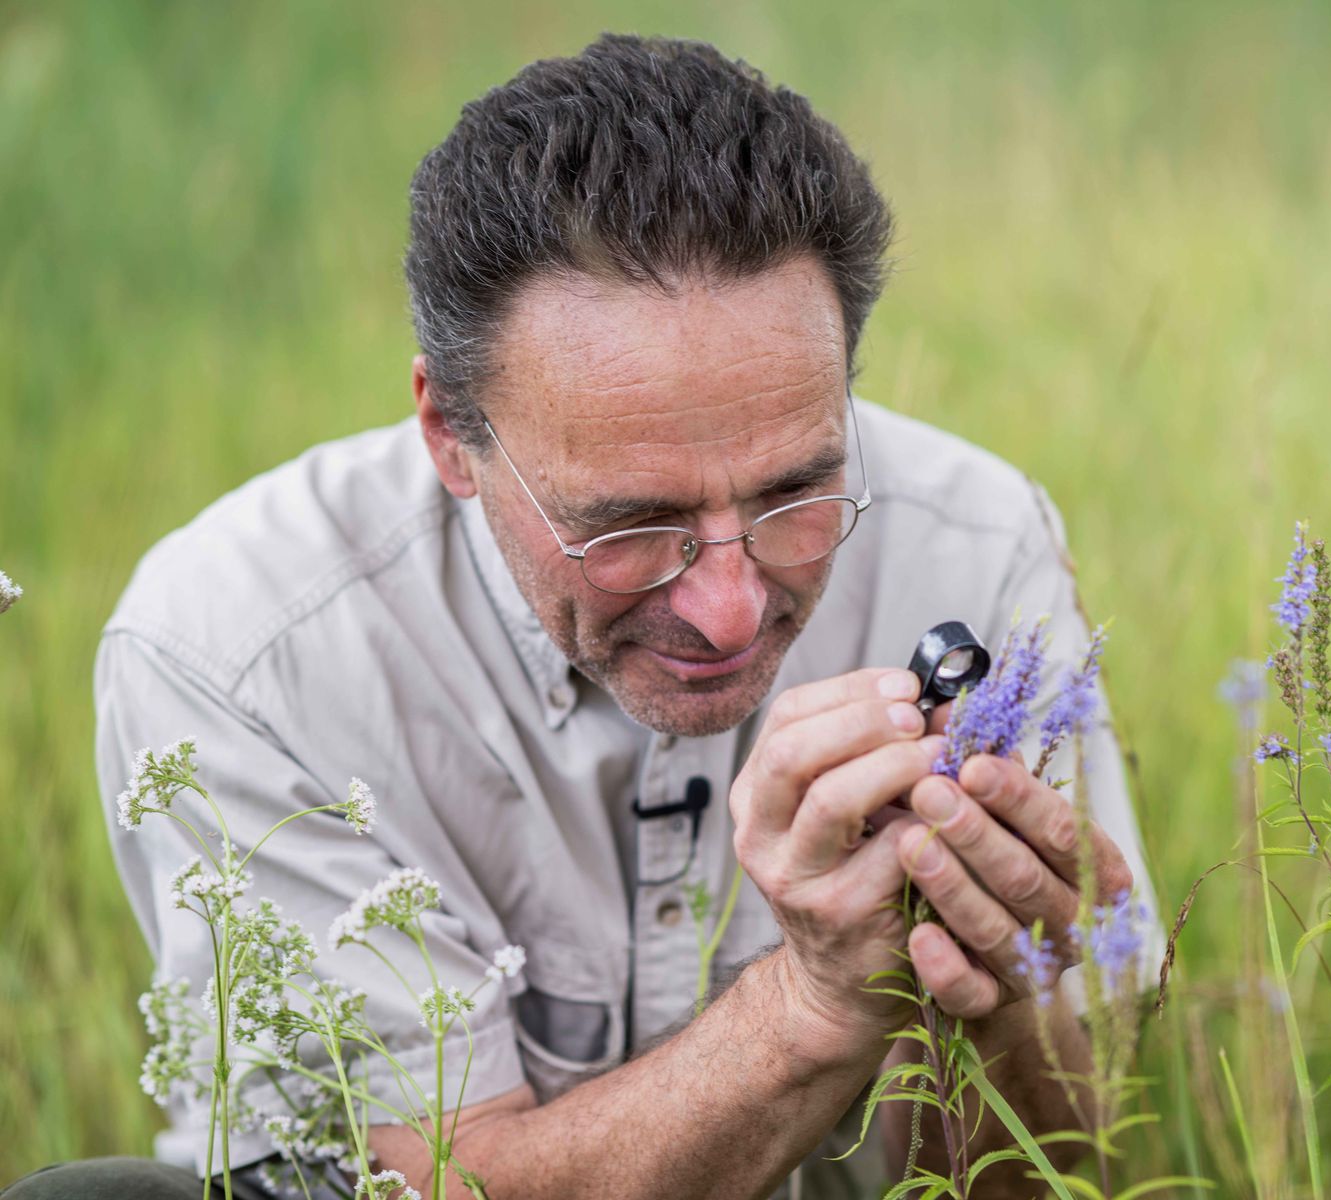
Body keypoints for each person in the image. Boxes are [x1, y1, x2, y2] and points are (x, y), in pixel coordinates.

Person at [7, 31, 1159, 1200]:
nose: (729, 606)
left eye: (795, 493)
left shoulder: (975, 540)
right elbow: (425, 1186)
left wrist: (1008, 991)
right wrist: (811, 1008)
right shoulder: (243, 647)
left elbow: (1065, 1168)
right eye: (629, 525)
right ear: (451, 436)